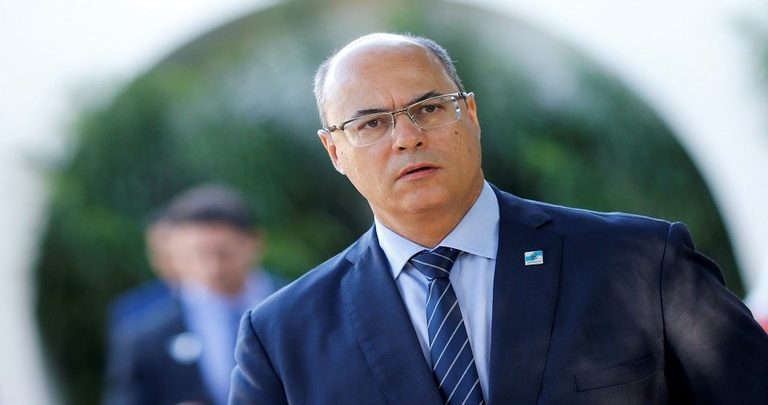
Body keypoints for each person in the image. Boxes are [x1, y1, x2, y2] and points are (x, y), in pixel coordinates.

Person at [229, 33, 768, 404]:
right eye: (371, 123)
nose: (407, 137)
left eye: (428, 108)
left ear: (470, 113)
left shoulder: (643, 263)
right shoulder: (281, 336)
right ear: (335, 151)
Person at [104, 184, 282, 405]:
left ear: (254, 243)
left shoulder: (299, 304)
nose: (213, 269)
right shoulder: (145, 337)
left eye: (223, 254)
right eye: (198, 255)